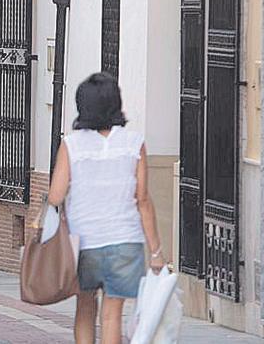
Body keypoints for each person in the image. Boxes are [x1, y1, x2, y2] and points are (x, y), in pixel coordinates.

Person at [46, 73, 165, 344]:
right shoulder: (134, 144)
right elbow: (143, 200)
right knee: (113, 315)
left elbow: (55, 196)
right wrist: (156, 251)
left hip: (84, 242)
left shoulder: (71, 145)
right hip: (125, 241)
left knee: (85, 307)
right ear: (115, 103)